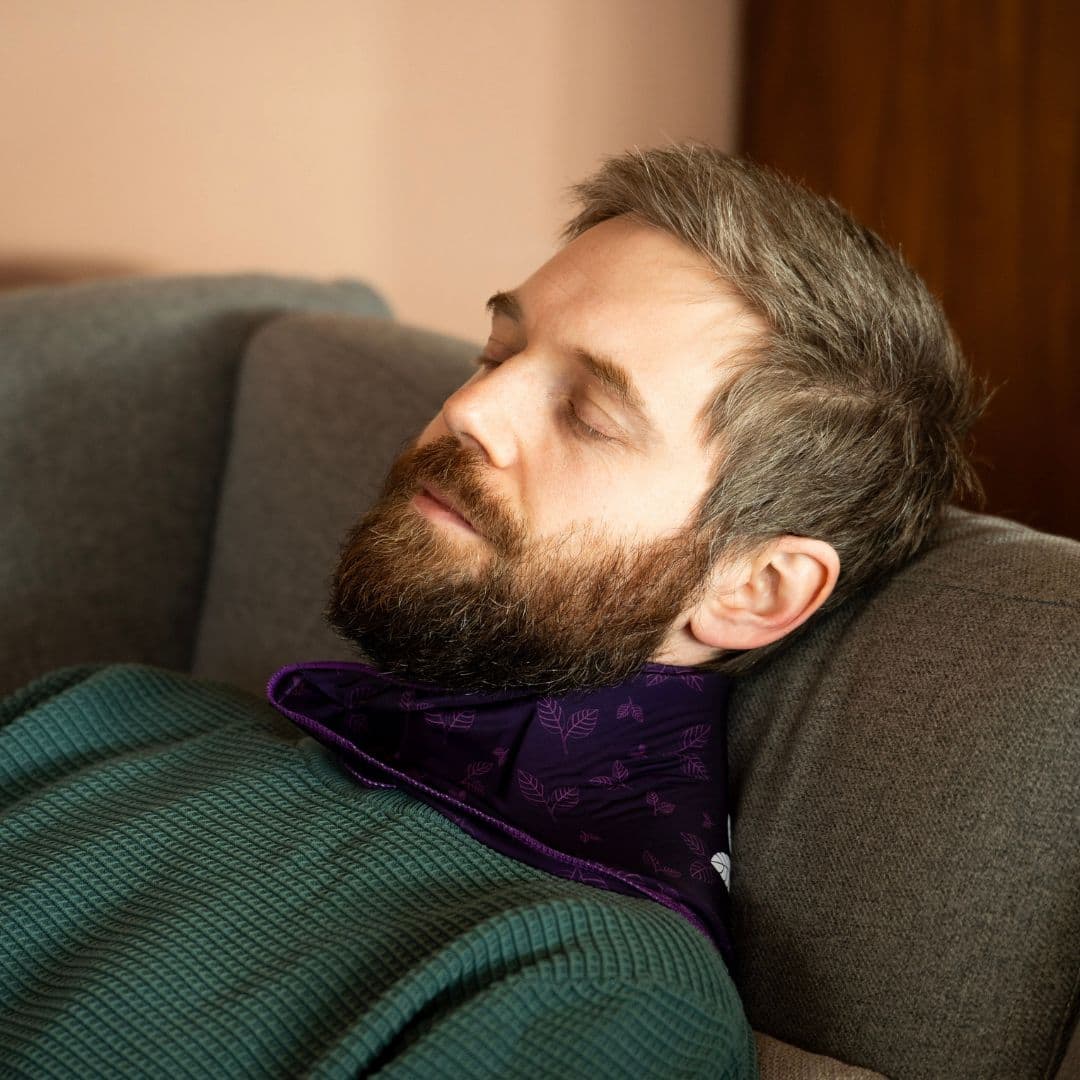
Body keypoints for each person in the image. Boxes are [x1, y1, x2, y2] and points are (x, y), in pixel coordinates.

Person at [0, 145, 983, 1079]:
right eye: (495, 352)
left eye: (589, 415)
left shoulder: (604, 999)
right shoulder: (103, 713)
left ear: (753, 590)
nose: (469, 410)